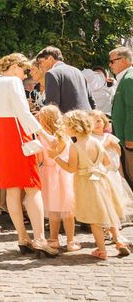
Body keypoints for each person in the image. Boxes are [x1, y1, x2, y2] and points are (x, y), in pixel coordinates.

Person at [0, 53, 58, 257]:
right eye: (24, 70)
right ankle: (40, 239)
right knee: (32, 187)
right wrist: (45, 135)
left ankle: (22, 237)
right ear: (15, 66)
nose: (24, 74)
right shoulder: (13, 82)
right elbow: (23, 112)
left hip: (0, 138)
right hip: (18, 135)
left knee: (12, 190)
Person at [50, 110, 130, 259]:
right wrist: (96, 169)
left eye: (67, 127)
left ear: (74, 128)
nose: (65, 130)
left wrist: (56, 157)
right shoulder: (96, 142)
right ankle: (118, 241)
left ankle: (102, 250)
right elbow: (107, 162)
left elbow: (71, 168)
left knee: (95, 219)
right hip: (102, 180)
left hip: (86, 184)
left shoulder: (75, 147)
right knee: (108, 212)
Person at [37, 106, 79, 251]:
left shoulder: (41, 137)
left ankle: (53, 239)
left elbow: (41, 158)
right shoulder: (64, 135)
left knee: (53, 209)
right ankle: (70, 241)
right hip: (65, 173)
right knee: (67, 210)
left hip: (49, 174)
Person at [89, 110, 133, 223]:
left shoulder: (110, 137)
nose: (97, 124)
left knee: (118, 199)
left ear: (104, 122)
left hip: (114, 172)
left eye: (99, 121)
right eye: (93, 122)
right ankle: (109, 224)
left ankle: (117, 222)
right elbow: (95, 155)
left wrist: (121, 173)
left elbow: (118, 155)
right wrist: (106, 145)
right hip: (104, 174)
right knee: (107, 200)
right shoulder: (91, 139)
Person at [36, 46, 95, 112]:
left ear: (50, 58)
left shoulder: (51, 73)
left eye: (40, 62)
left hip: (69, 119)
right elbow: (91, 99)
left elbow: (52, 107)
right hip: (87, 117)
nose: (40, 66)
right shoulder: (77, 71)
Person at [108, 46, 133, 187]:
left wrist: (130, 136)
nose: (110, 65)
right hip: (123, 138)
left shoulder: (129, 78)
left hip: (128, 139)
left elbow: (132, 109)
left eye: (112, 61)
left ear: (123, 60)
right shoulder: (124, 77)